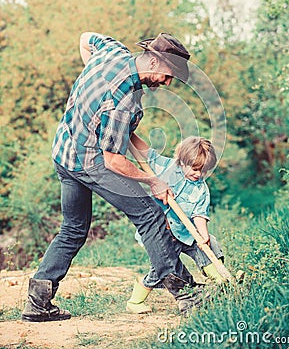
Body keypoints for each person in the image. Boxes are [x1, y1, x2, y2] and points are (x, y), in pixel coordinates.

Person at [22, 31, 207, 322]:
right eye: (170, 76)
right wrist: (153, 181)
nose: (169, 84)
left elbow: (85, 37)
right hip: (91, 162)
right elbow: (114, 161)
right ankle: (186, 294)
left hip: (64, 153)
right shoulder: (123, 102)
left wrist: (92, 91)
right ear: (155, 64)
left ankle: (37, 302)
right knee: (150, 215)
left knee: (72, 229)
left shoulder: (112, 52)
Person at [126, 134, 226, 314]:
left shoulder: (201, 189)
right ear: (182, 161)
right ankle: (135, 301)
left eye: (203, 170)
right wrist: (129, 133)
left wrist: (203, 235)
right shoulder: (167, 167)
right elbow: (146, 152)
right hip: (162, 235)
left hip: (185, 233)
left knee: (208, 244)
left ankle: (221, 280)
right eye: (195, 169)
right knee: (162, 270)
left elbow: (199, 214)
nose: (198, 174)